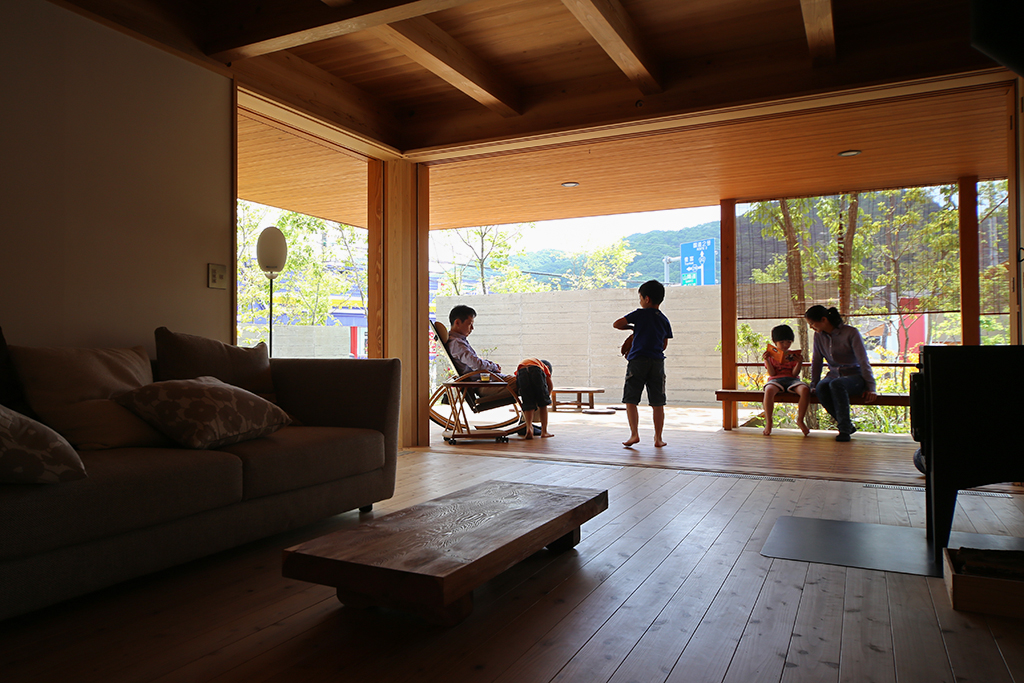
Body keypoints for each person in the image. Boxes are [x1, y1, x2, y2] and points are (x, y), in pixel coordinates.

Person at [613, 280, 673, 448]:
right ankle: (658, 438)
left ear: (646, 298)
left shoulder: (639, 314)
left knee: (631, 400)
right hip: (657, 362)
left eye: (640, 297)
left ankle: (634, 434)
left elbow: (617, 324)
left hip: (637, 361)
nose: (640, 301)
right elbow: (664, 345)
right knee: (658, 402)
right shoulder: (664, 320)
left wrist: (633, 329)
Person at [805, 305, 876, 442]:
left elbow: (863, 360)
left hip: (854, 377)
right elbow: (817, 361)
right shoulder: (819, 336)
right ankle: (848, 425)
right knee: (821, 387)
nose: (811, 327)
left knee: (836, 384)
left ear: (824, 319)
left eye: (812, 323)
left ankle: (844, 430)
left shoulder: (851, 333)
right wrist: (814, 384)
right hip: (833, 375)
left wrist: (871, 387)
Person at [446, 304, 517, 398]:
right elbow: (477, 365)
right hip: (484, 385)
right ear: (458, 322)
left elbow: (475, 363)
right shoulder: (457, 344)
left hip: (488, 381)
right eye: (469, 324)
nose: (472, 328)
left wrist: (490, 365)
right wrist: (493, 366)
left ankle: (531, 412)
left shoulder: (458, 342)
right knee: (529, 381)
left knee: (532, 378)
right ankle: (533, 412)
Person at [762, 324, 810, 437]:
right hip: (775, 380)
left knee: (805, 389)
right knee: (768, 390)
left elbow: (794, 374)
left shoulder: (792, 355)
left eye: (788, 342)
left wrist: (799, 363)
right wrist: (767, 360)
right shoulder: (770, 355)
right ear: (775, 342)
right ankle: (769, 422)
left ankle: (800, 420)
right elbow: (772, 373)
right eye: (782, 342)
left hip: (792, 380)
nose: (785, 345)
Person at [516, 358, 553, 439]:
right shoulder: (544, 367)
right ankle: (544, 432)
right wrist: (546, 398)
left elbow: (517, 378)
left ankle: (529, 428)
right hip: (536, 370)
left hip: (521, 371)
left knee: (528, 404)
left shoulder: (527, 362)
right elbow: (550, 385)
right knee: (543, 405)